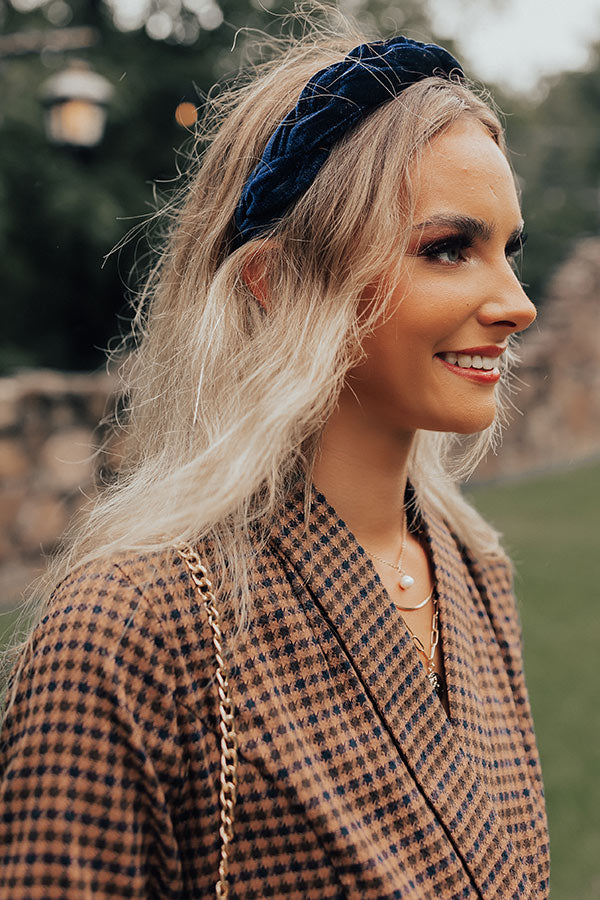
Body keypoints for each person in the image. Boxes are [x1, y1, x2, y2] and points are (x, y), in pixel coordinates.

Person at [0, 13, 550, 900]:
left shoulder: (476, 571)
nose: (516, 303)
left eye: (505, 250)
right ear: (279, 280)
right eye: (450, 249)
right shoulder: (126, 633)